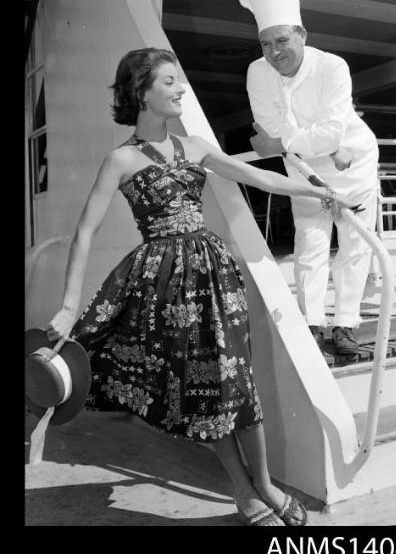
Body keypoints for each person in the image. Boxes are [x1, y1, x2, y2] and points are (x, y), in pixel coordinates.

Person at [46, 47, 351, 527]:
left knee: (238, 383)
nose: (181, 88)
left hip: (214, 275)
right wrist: (68, 305)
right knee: (206, 390)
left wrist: (318, 191)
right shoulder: (120, 159)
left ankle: (265, 485)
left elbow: (258, 177)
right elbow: (85, 232)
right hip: (164, 289)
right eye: (170, 81)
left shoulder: (197, 147)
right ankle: (242, 490)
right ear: (142, 92)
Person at [238, 0, 379, 357]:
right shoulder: (257, 72)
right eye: (265, 43)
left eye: (282, 40)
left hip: (355, 164)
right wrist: (314, 142)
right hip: (302, 168)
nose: (274, 52)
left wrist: (305, 141)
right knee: (310, 242)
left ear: (302, 35)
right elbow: (269, 130)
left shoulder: (332, 66)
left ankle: (345, 325)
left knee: (354, 243)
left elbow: (327, 132)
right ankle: (312, 325)